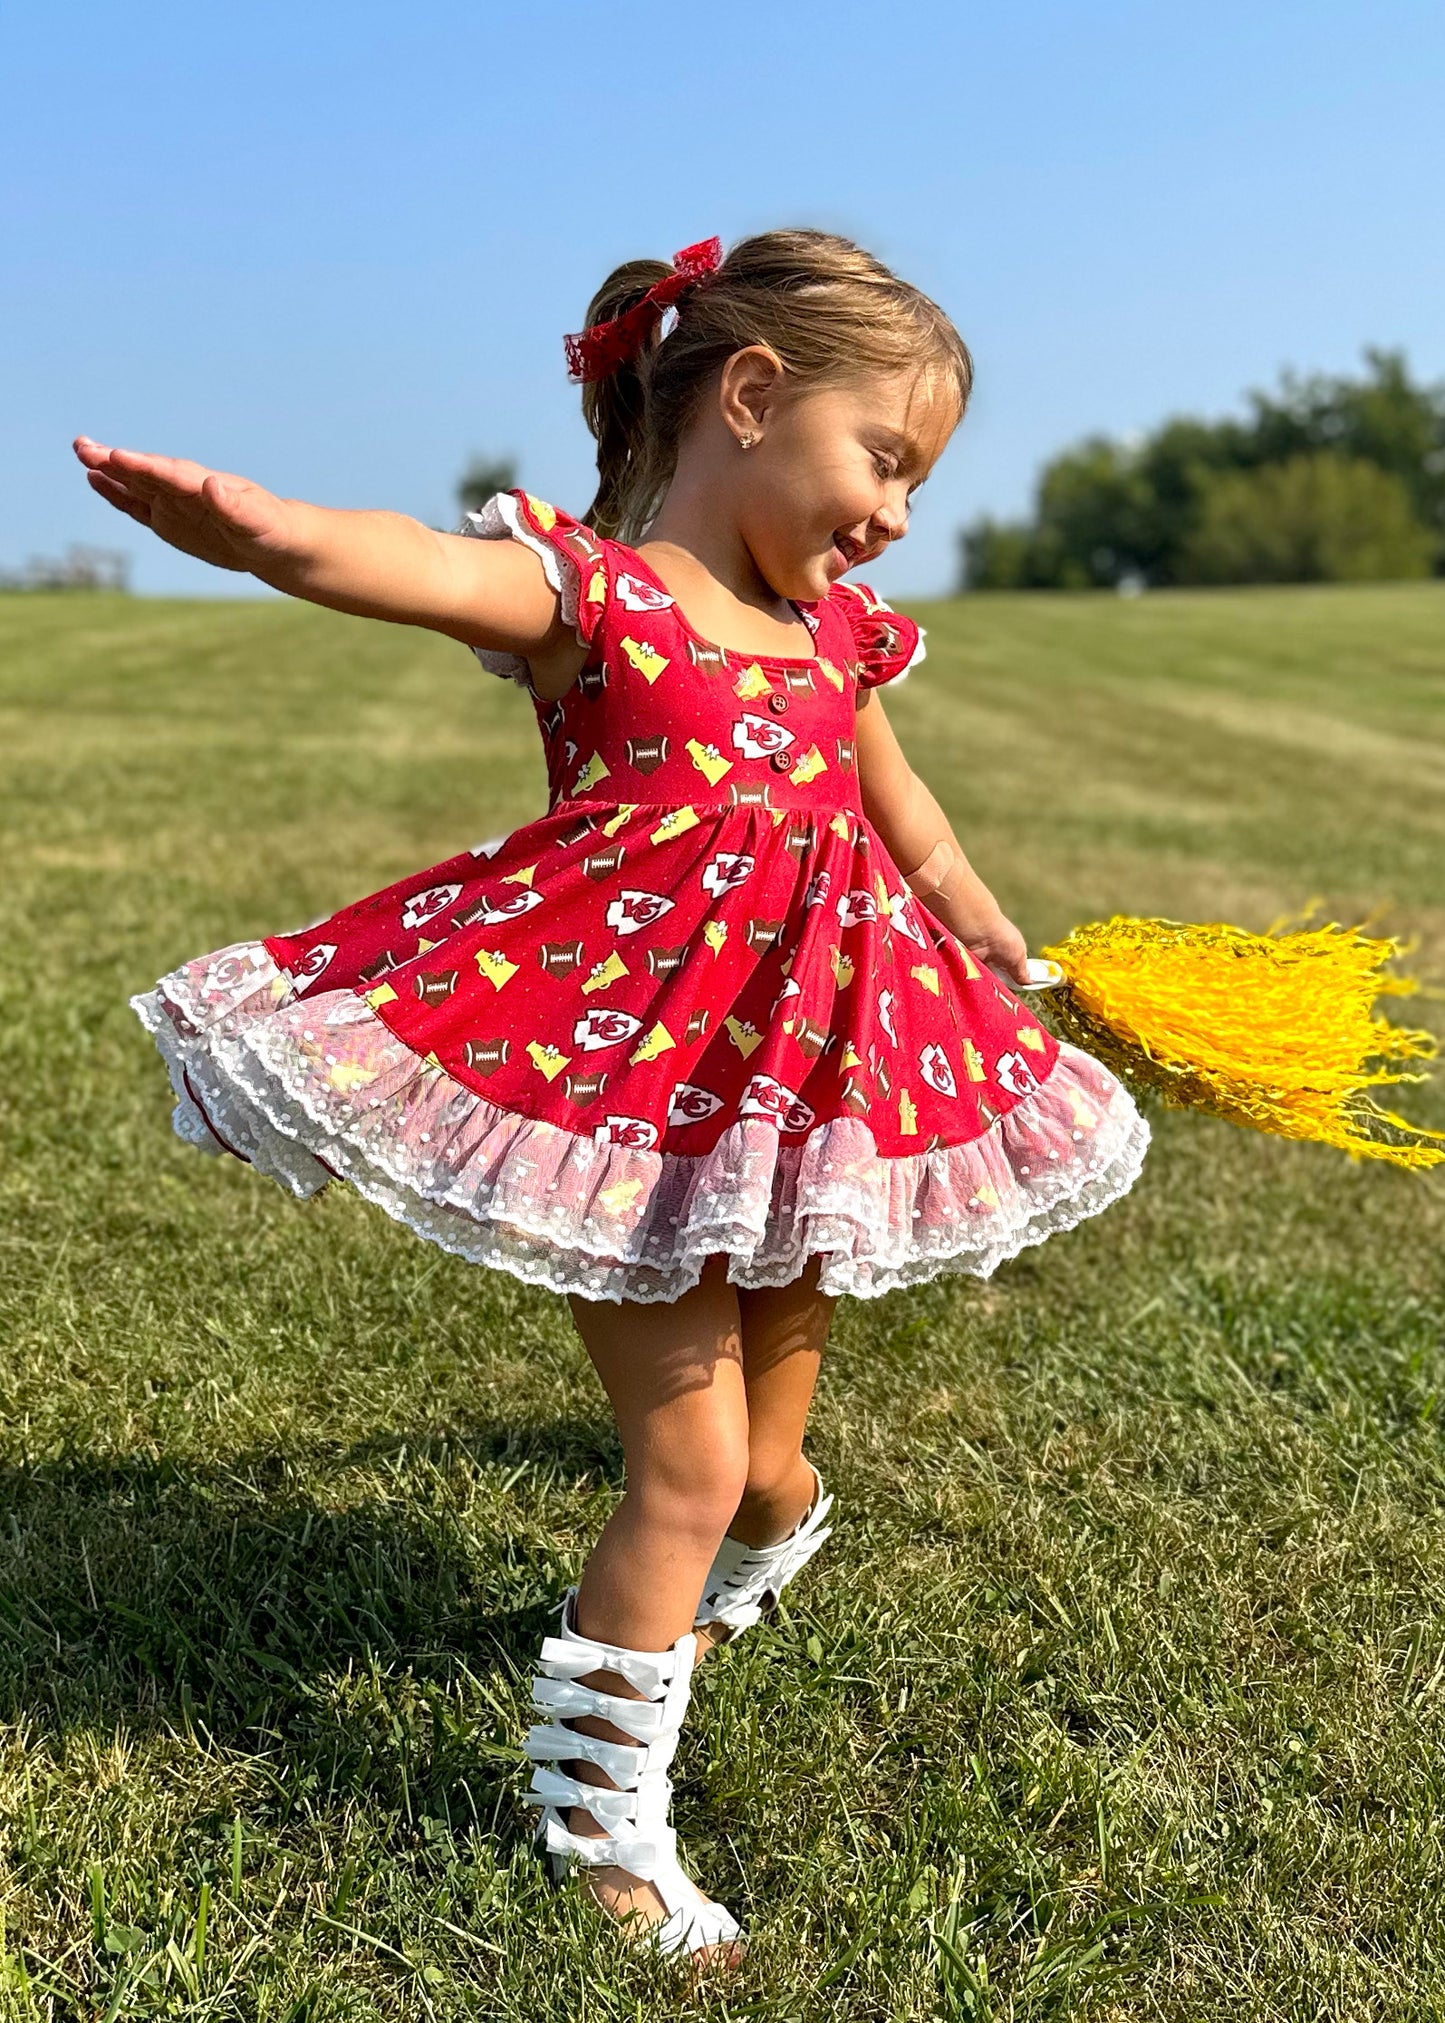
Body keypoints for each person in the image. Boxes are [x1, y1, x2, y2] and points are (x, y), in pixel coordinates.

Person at [74, 228, 1149, 1976]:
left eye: (917, 481)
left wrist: (975, 920)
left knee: (769, 1472)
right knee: (689, 1456)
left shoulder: (836, 637)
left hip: (809, 1097)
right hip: (635, 1109)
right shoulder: (601, 598)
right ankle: (604, 1832)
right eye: (884, 459)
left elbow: (904, 812)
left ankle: (763, 1549)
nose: (894, 512)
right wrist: (264, 535)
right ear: (748, 395)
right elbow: (414, 566)